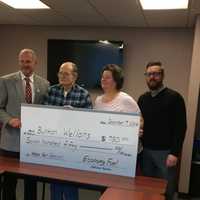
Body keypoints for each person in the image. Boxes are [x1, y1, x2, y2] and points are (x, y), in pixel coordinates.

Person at [0, 48, 49, 200]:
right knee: (9, 183)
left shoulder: (45, 84)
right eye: (22, 61)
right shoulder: (5, 81)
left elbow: (46, 111)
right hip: (10, 141)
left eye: (28, 61)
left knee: (31, 182)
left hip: (33, 144)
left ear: (35, 62)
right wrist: (9, 120)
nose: (24, 64)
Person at [43, 61, 92, 200]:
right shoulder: (51, 90)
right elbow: (44, 115)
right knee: (55, 182)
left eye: (66, 73)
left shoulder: (83, 94)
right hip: (54, 142)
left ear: (75, 76)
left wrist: (74, 113)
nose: (62, 76)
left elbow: (89, 120)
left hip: (74, 145)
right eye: (60, 73)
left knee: (71, 181)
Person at [138, 61, 187, 200]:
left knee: (166, 191)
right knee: (147, 190)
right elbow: (139, 122)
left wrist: (175, 153)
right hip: (145, 152)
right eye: (149, 74)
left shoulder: (175, 98)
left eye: (156, 74)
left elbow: (181, 127)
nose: (152, 77)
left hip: (166, 154)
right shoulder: (142, 99)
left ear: (162, 75)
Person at [94, 64, 142, 165]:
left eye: (107, 77)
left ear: (116, 80)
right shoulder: (98, 100)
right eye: (102, 77)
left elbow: (140, 122)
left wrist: (135, 130)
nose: (103, 79)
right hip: (104, 149)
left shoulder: (126, 100)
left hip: (123, 152)